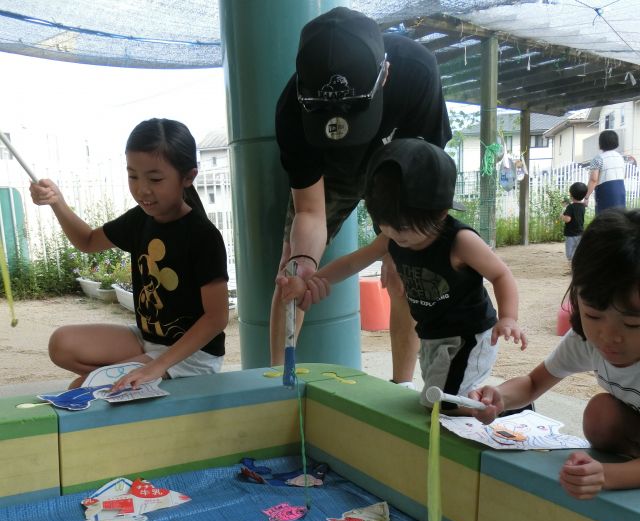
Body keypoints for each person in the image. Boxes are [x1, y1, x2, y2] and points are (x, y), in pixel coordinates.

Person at [271, 6, 452, 388]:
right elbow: (310, 210)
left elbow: (427, 173)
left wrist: (394, 246)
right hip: (330, 175)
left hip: (395, 164)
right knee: (290, 274)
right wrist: (304, 260)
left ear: (384, 73)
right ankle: (277, 382)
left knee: (405, 270)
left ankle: (400, 386)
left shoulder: (416, 73)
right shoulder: (290, 109)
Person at [280, 138, 526, 411]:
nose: (397, 235)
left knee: (446, 404)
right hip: (432, 333)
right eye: (387, 225)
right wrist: (312, 281)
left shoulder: (460, 241)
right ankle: (506, 406)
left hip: (469, 335)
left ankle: (513, 406)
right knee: (435, 401)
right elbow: (351, 263)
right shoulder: (392, 237)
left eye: (405, 227)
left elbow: (501, 275)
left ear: (441, 212)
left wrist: (508, 317)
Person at [29, 118, 229, 390]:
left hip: (192, 356)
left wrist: (156, 367)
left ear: (188, 177)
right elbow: (87, 241)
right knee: (62, 345)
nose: (142, 189)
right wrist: (57, 202)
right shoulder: (139, 220)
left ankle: (139, 378)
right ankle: (134, 374)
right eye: (132, 175)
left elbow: (216, 319)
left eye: (155, 178)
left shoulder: (202, 235)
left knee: (82, 389)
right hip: (146, 339)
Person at [469, 209, 640, 498]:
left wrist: (608, 476)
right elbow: (535, 383)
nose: (609, 338)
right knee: (600, 416)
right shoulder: (586, 340)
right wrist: (499, 398)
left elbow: (606, 477)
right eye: (593, 316)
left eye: (633, 323)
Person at [585, 130, 626, 215]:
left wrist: (586, 197)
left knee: (604, 221)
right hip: (620, 191)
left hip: (606, 192)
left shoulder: (598, 159)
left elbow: (593, 180)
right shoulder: (620, 157)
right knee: (620, 219)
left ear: (600, 143)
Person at [560, 181, 587, 268]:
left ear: (571, 195)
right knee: (578, 250)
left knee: (570, 252)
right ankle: (579, 265)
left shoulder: (570, 207)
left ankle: (573, 267)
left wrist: (562, 216)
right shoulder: (583, 206)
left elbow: (568, 219)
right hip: (580, 232)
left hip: (571, 234)